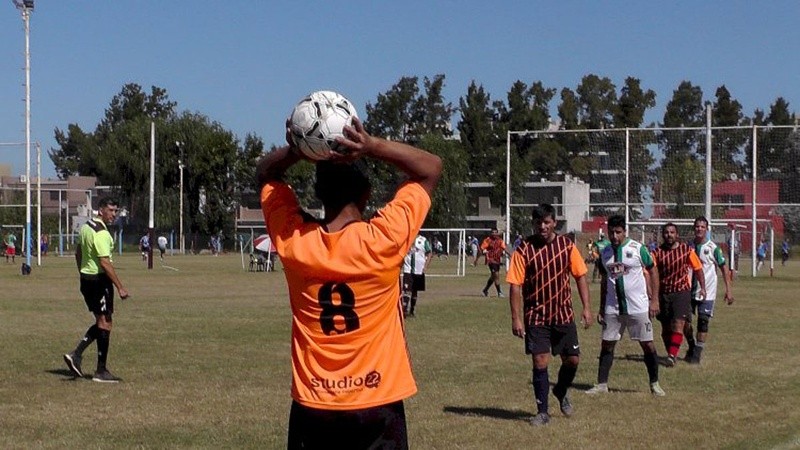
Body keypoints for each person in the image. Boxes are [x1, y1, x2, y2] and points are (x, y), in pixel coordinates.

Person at [257, 116, 442, 449]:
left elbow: (264, 174)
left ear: (316, 194)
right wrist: (370, 145)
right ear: (367, 194)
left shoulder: (295, 244)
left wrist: (301, 148)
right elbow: (430, 168)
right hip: (378, 399)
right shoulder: (384, 241)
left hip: (314, 403)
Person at [507, 204, 592, 426]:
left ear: (554, 222)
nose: (542, 227)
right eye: (538, 223)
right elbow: (515, 285)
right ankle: (542, 412)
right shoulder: (524, 249)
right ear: (533, 224)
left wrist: (586, 308)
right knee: (540, 361)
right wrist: (516, 318)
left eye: (546, 222)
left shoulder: (567, 246)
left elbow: (580, 276)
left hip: (563, 314)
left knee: (572, 360)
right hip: (536, 315)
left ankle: (561, 390)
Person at [586, 215, 664, 397]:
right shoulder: (605, 253)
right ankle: (602, 384)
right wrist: (601, 307)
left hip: (638, 308)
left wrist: (654, 300)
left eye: (618, 232)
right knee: (607, 344)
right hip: (613, 308)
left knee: (648, 345)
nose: (614, 236)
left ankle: (655, 383)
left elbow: (653, 270)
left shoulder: (637, 248)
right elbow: (605, 281)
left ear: (624, 232)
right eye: (611, 232)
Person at [63, 197, 130, 383]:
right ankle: (98, 369)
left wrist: (83, 273)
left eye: (116, 211)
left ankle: (77, 356)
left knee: (103, 320)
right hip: (100, 281)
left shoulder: (86, 227)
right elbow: (104, 262)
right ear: (101, 210)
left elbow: (78, 252)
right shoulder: (101, 233)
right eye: (111, 210)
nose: (114, 214)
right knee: (105, 322)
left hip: (86, 280)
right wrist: (120, 287)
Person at [651, 222, 706, 367]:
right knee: (666, 327)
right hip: (663, 293)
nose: (669, 235)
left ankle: (671, 356)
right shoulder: (656, 253)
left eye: (672, 232)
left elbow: (698, 268)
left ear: (677, 234)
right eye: (667, 232)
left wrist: (703, 287)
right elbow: (650, 272)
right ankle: (673, 350)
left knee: (679, 323)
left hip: (681, 292)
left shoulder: (686, 250)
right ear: (663, 235)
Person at [683, 216, 734, 364]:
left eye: (702, 227)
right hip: (688, 290)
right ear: (694, 228)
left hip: (707, 291)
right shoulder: (687, 247)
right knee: (685, 322)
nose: (699, 229)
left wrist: (728, 290)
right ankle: (692, 346)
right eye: (697, 226)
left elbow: (724, 268)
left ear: (706, 229)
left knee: (703, 322)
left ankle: (697, 354)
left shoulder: (713, 248)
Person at [402, 235, 432, 317]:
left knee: (415, 291)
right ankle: (404, 311)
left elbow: (429, 253)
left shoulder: (423, 240)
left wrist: (425, 266)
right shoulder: (405, 238)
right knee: (406, 290)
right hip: (407, 270)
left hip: (419, 270)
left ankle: (412, 310)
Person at [474, 228, 509, 297]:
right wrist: (476, 260)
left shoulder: (500, 241)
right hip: (490, 260)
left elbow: (505, 248)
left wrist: (512, 256)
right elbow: (481, 249)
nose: (494, 234)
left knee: (493, 277)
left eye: (495, 232)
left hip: (497, 260)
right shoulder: (488, 240)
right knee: (496, 275)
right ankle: (499, 292)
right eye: (492, 232)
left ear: (497, 233)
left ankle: (485, 290)